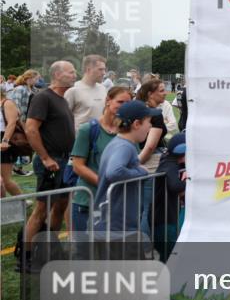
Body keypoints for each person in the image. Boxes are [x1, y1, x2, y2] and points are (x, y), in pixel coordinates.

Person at [24, 61, 77, 249]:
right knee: (42, 209)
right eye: (70, 72)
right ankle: (27, 254)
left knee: (61, 205)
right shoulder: (43, 97)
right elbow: (31, 129)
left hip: (64, 160)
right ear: (56, 75)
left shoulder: (61, 99)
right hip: (51, 161)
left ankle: (49, 248)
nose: (74, 75)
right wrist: (46, 158)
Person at [68, 86, 133, 232]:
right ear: (108, 101)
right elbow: (77, 166)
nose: (124, 107)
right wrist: (104, 184)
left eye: (128, 103)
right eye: (120, 102)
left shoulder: (128, 132)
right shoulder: (89, 129)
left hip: (116, 203)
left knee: (109, 251)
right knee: (85, 251)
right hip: (87, 201)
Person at [93, 100, 156, 233]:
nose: (150, 127)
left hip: (114, 222)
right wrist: (141, 172)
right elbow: (114, 172)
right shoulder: (124, 146)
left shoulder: (119, 143)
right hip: (117, 224)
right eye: (148, 122)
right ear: (137, 124)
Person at [136, 79, 168, 236]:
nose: (165, 93)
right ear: (150, 93)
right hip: (150, 163)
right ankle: (146, 247)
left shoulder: (139, 110)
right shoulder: (155, 115)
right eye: (161, 90)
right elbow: (150, 146)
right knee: (147, 208)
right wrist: (136, 163)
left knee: (140, 207)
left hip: (139, 159)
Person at [153, 132, 186, 261]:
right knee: (171, 257)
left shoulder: (171, 161)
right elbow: (175, 186)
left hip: (166, 218)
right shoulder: (169, 164)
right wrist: (190, 181)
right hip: (165, 220)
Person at [64, 54, 108, 128]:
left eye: (104, 69)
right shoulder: (73, 90)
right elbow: (63, 119)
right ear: (88, 70)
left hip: (99, 137)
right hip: (78, 138)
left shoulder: (103, 89)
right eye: (100, 69)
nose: (104, 73)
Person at [1, 88, 25, 196]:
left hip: (5, 140)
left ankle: (22, 201)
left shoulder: (7, 103)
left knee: (5, 181)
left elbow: (11, 123)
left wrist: (5, 140)